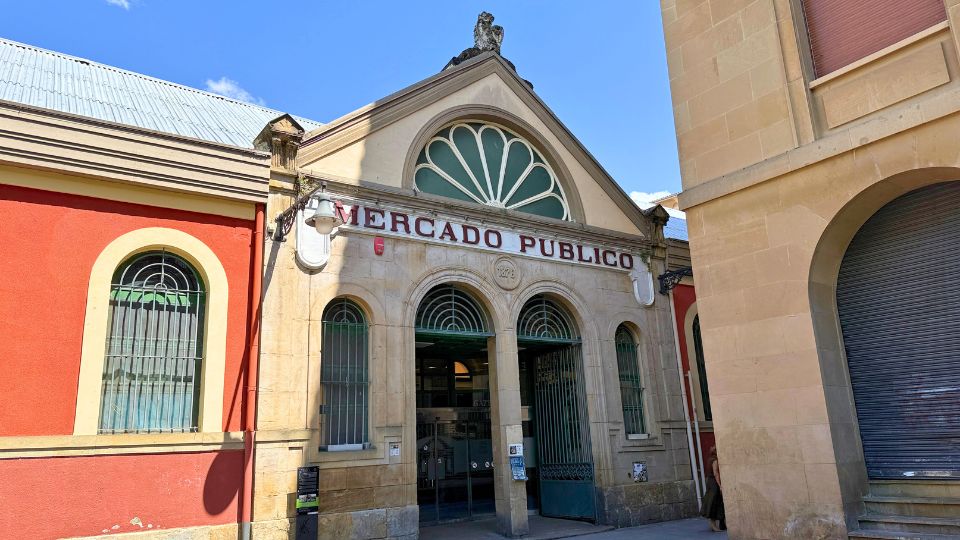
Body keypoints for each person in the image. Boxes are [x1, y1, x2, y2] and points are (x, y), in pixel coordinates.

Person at [700, 446, 726, 532]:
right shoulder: (715, 460)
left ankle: (715, 525)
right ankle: (714, 525)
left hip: (709, 482)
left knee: (712, 501)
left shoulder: (710, 459)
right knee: (713, 502)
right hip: (714, 483)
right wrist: (720, 485)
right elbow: (716, 473)